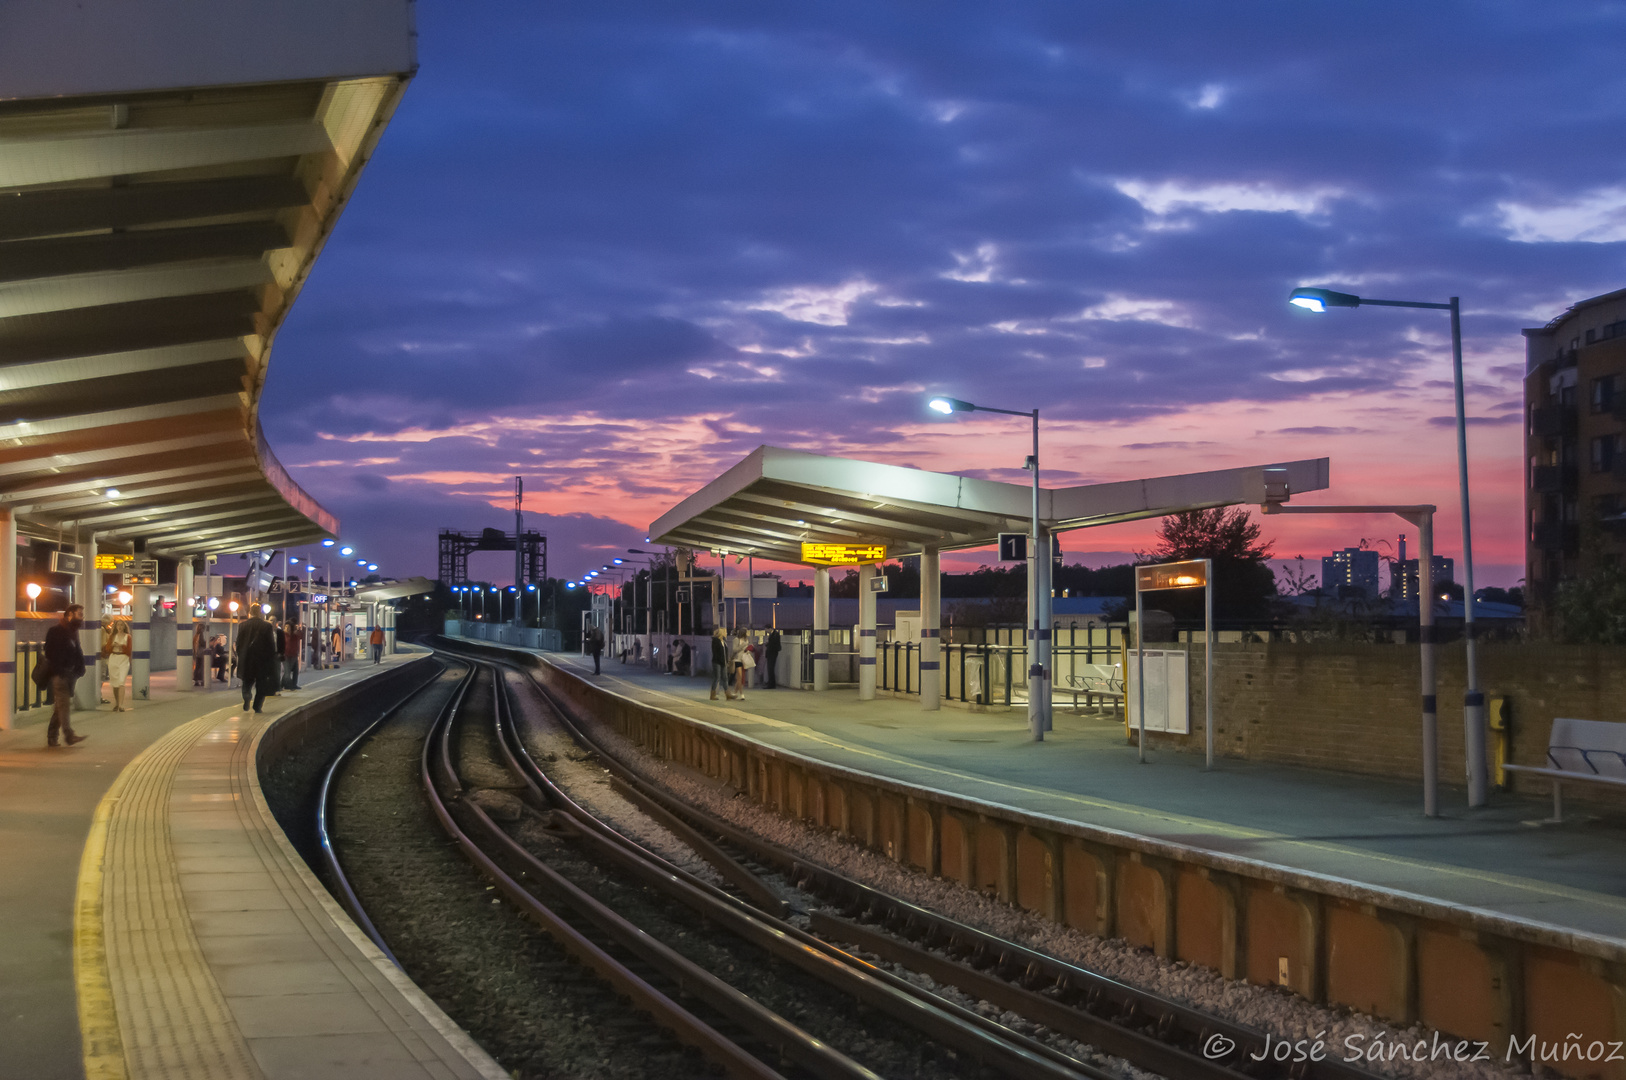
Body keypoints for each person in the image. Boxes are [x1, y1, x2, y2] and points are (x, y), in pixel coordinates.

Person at [43, 605, 87, 747]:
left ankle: (52, 736)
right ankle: (69, 735)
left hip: (70, 674)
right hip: (60, 675)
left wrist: (80, 667)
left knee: (60, 707)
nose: (82, 617)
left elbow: (77, 651)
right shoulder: (55, 631)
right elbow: (49, 652)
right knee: (64, 706)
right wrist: (59, 669)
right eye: (79, 614)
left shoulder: (73, 632)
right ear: (70, 615)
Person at [235, 610, 279, 713]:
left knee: (247, 681)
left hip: (247, 659)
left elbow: (238, 643)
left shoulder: (242, 625)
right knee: (261, 685)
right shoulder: (266, 626)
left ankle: (247, 696)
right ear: (260, 614)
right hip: (262, 661)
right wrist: (271, 660)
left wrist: (241, 655)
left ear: (249, 613)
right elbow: (271, 645)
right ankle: (257, 706)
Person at [102, 617, 133, 712]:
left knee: (121, 682)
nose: (120, 627)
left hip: (123, 658)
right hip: (113, 658)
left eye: (122, 625)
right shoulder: (112, 636)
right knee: (115, 683)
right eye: (118, 625)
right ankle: (117, 703)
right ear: (115, 626)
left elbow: (129, 650)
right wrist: (112, 646)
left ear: (124, 626)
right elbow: (107, 649)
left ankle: (121, 705)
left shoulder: (127, 637)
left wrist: (121, 646)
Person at [729, 628, 751, 701]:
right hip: (737, 659)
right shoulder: (736, 640)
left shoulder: (746, 640)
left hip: (744, 659)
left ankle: (735, 693)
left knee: (739, 678)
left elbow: (746, 649)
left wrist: (747, 650)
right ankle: (742, 694)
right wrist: (742, 646)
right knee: (740, 676)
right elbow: (734, 650)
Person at [709, 627, 728, 700]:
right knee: (717, 677)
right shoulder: (715, 641)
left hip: (724, 662)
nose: (726, 633)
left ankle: (727, 694)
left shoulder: (724, 641)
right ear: (721, 633)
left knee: (725, 678)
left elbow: (725, 652)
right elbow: (716, 653)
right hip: (717, 662)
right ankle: (712, 694)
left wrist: (726, 660)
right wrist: (721, 660)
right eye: (725, 632)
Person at [283, 621, 303, 689]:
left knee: (295, 671)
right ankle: (289, 685)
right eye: (286, 627)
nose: (287, 628)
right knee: (287, 672)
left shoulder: (295, 635)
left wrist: (298, 629)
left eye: (288, 627)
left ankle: (291, 684)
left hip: (294, 655)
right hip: (286, 655)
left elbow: (301, 636)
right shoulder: (283, 635)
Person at [192, 621, 208, 687]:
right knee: (201, 667)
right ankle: (200, 680)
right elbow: (202, 643)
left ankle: (196, 680)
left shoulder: (195, 636)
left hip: (196, 653)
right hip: (200, 654)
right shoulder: (200, 635)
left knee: (197, 668)